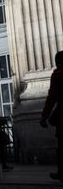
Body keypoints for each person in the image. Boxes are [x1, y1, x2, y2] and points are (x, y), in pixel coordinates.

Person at [41, 50, 63, 182]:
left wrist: (44, 116)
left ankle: (62, 172)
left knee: (62, 147)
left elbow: (52, 98)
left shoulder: (58, 75)